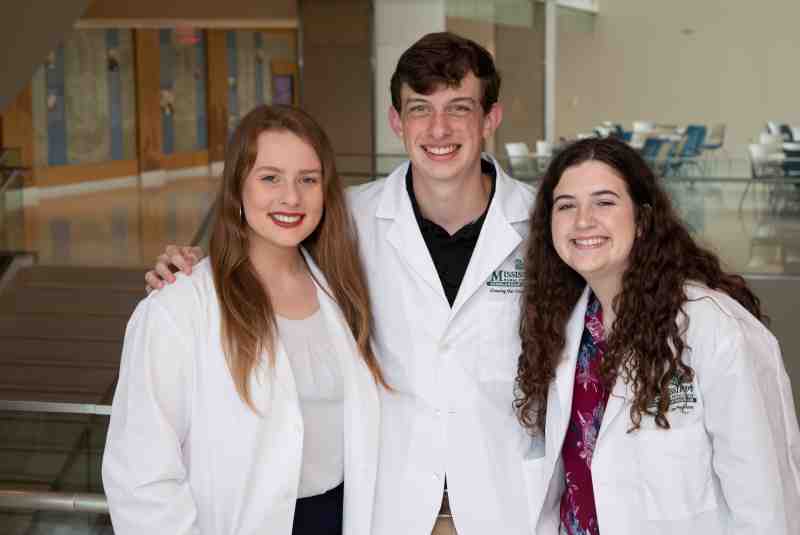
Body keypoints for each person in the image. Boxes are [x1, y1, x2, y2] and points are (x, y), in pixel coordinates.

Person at [145, 32, 536, 535]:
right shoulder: (345, 219)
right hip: (390, 505)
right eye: (420, 109)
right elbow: (268, 247)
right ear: (397, 121)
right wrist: (192, 266)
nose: (439, 128)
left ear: (491, 119)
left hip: (505, 503)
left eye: (459, 108)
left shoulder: (544, 226)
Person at [103, 104, 386, 535]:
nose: (291, 197)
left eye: (308, 180)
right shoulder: (178, 309)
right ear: (238, 188)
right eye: (270, 178)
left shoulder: (344, 291)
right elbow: (141, 477)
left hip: (341, 517)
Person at [515, 136, 800, 535]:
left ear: (643, 219)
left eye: (604, 202)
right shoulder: (561, 330)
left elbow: (765, 502)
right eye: (566, 206)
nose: (582, 221)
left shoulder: (714, 329)